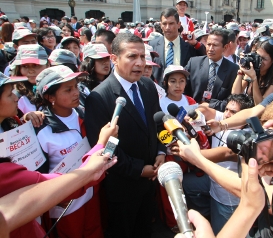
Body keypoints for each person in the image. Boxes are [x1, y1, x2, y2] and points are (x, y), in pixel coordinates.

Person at [85, 33, 166, 238]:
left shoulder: (147, 86)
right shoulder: (99, 97)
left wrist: (161, 151)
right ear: (114, 59)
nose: (139, 63)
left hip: (150, 182)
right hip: (122, 188)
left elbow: (158, 123)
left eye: (142, 57)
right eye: (132, 57)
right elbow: (104, 149)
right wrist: (140, 170)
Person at [32, 65, 105, 237]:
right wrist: (56, 197)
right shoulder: (41, 130)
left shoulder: (85, 114)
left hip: (91, 193)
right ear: (50, 97)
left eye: (76, 86)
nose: (76, 93)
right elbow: (38, 175)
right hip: (65, 205)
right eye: (68, 89)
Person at [183, 94, 254, 235]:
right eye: (227, 109)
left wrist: (186, 153)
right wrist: (194, 115)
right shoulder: (224, 119)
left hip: (228, 197)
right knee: (186, 183)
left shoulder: (246, 135)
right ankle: (207, 212)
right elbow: (205, 110)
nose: (227, 114)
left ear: (245, 116)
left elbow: (225, 154)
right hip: (212, 182)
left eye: (233, 112)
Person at [185, 29, 239, 112]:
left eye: (215, 45)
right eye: (208, 44)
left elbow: (232, 100)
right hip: (191, 112)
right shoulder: (193, 63)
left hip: (216, 116)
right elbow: (183, 90)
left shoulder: (233, 70)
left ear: (225, 47)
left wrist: (211, 105)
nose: (210, 49)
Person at [149, 7, 206, 85]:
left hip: (183, 92)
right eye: (164, 24)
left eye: (171, 23)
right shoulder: (152, 45)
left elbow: (206, 57)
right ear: (160, 25)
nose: (167, 27)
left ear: (179, 24)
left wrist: (195, 43)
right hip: (159, 93)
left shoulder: (189, 45)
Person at [232, 37, 273, 105]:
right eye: (257, 56)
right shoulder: (253, 68)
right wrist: (241, 70)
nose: (259, 61)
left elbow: (261, 105)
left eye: (264, 59)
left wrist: (254, 79)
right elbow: (235, 94)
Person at [11, 44, 50, 114]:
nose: (31, 71)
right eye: (25, 66)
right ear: (19, 69)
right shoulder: (15, 96)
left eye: (36, 65)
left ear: (48, 65)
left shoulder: (58, 88)